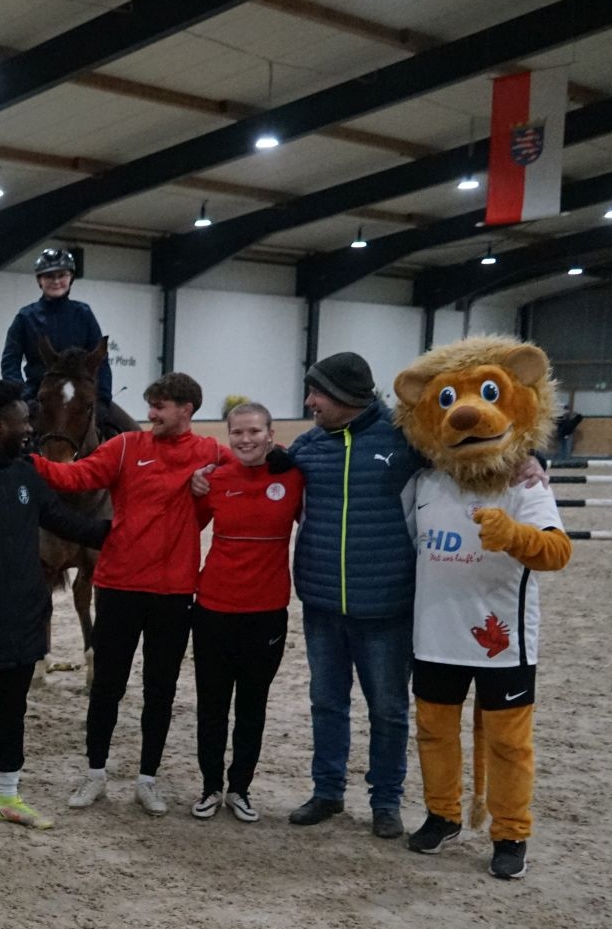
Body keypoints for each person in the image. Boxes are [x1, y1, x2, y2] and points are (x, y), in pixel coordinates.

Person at [33, 372, 233, 816]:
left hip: (174, 591)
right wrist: (27, 461)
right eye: (151, 406)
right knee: (107, 686)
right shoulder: (125, 447)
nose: (150, 415)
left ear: (186, 409)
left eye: (159, 407)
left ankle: (147, 779)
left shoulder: (211, 454)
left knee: (160, 690)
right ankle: (95, 774)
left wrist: (274, 460)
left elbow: (250, 468)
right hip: (119, 587)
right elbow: (74, 476)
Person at [0, 380, 109, 843]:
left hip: (23, 620)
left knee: (12, 712)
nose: (31, 428)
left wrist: (121, 532)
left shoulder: (25, 473)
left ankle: (7, 797)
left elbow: (64, 521)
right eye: (24, 421)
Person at [279, 352, 423, 840]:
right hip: (322, 604)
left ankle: (386, 801)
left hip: (386, 606)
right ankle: (327, 791)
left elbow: (472, 456)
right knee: (326, 702)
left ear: (345, 395)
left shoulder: (406, 438)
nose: (309, 402)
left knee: (388, 709)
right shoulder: (308, 446)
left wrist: (531, 460)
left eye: (316, 393)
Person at [186, 402, 305, 822]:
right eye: (237, 432)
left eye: (254, 431)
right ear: (228, 436)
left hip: (267, 611)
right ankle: (210, 787)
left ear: (271, 434)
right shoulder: (214, 480)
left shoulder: (293, 477)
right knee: (212, 704)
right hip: (213, 608)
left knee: (253, 705)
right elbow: (187, 526)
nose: (246, 439)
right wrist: (194, 483)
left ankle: (240, 788)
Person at [0, 246, 135, 438]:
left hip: (81, 394)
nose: (56, 281)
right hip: (39, 395)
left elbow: (100, 360)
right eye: (49, 276)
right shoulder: (25, 317)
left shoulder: (83, 314)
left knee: (131, 430)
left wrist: (102, 400)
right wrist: (25, 399)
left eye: (61, 275)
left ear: (70, 278)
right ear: (39, 280)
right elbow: (10, 362)